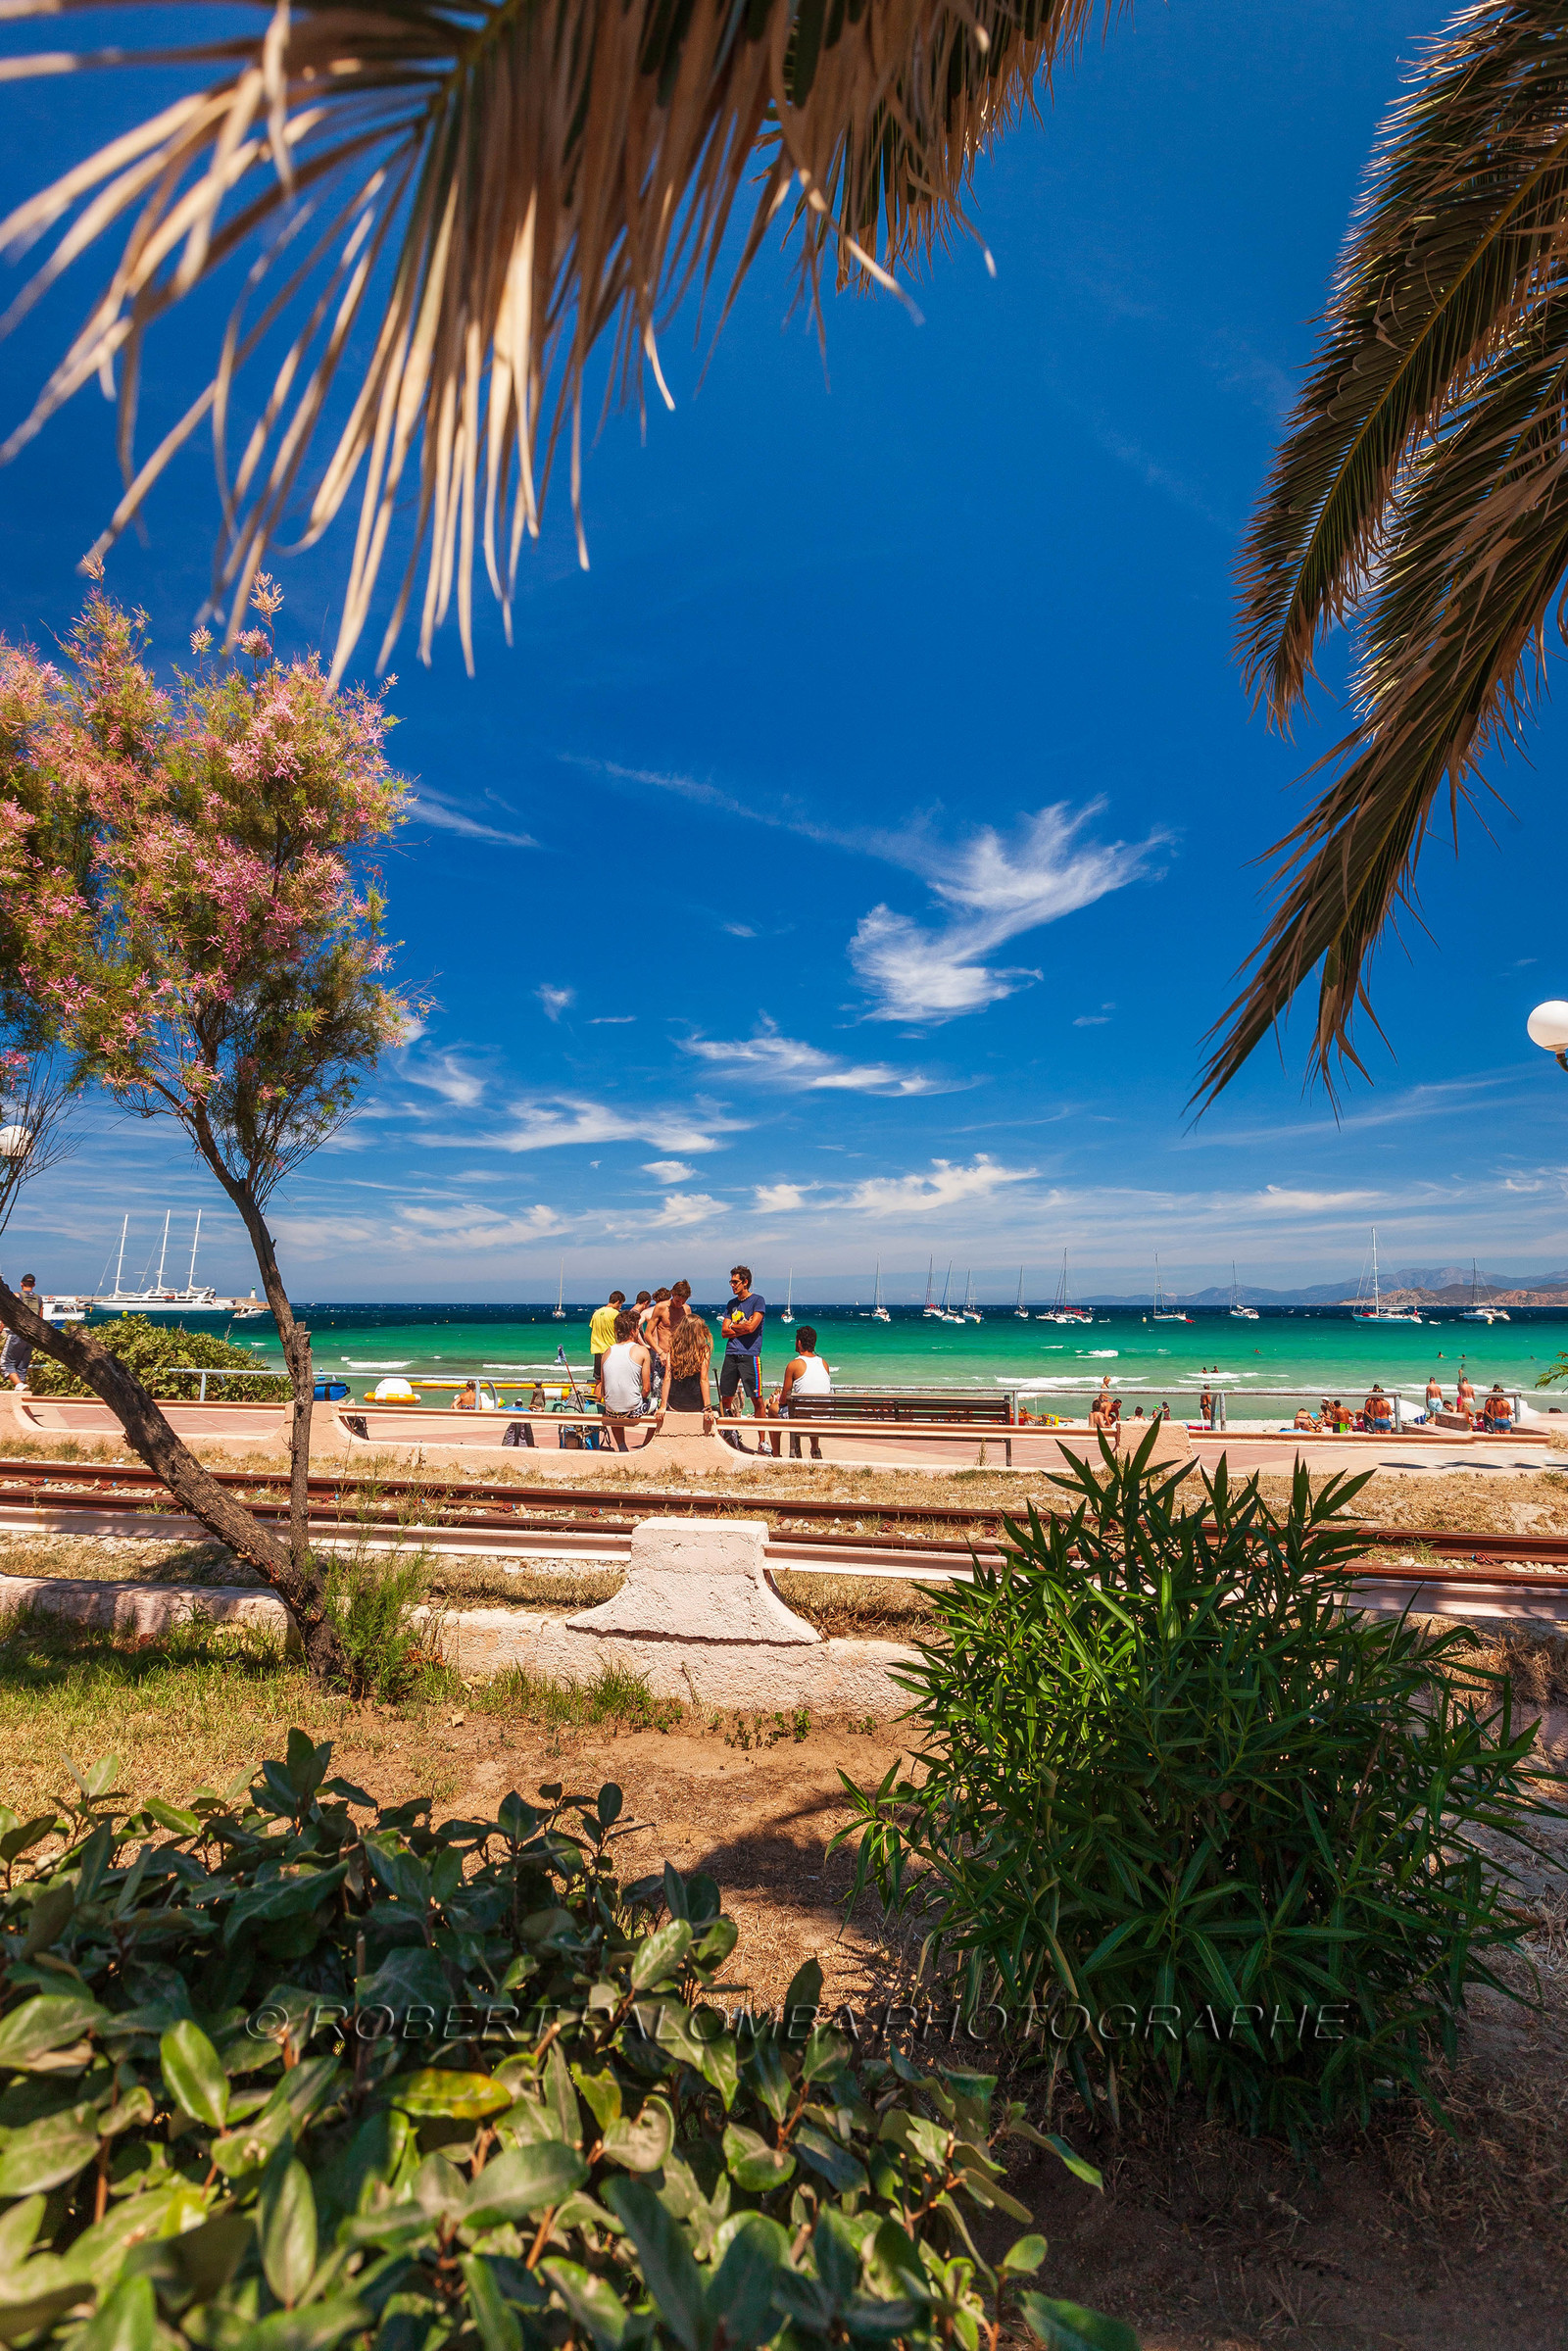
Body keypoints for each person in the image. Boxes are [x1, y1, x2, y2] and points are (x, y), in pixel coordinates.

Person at [719, 1264, 765, 1438]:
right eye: (731, 1282)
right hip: (731, 1353)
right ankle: (727, 1434)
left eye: (735, 1282)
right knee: (726, 1398)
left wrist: (735, 1326)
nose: (732, 1285)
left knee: (757, 1399)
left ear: (745, 1282)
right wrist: (742, 1327)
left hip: (749, 1354)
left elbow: (752, 1327)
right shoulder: (731, 1304)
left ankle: (762, 1440)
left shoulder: (757, 1301)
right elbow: (724, 1332)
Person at [770, 1325, 830, 1459]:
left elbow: (784, 1399)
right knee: (811, 1408)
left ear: (799, 1342)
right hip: (823, 1416)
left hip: (801, 1416)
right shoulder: (824, 1363)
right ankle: (815, 1449)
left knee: (773, 1410)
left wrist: (777, 1401)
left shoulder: (794, 1365)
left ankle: (777, 1454)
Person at [600, 1310, 652, 1450]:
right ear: (632, 1330)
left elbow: (603, 1391)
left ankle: (622, 1446)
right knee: (658, 1405)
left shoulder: (606, 1352)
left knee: (615, 1405)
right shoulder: (642, 1351)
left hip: (611, 1410)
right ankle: (646, 1446)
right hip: (633, 1409)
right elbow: (646, 1389)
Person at [663, 1310, 714, 1429]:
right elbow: (704, 1379)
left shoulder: (673, 1348)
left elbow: (667, 1377)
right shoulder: (704, 1350)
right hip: (696, 1403)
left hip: (674, 1403)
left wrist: (663, 1405)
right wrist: (708, 1407)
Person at [0, 1274, 37, 1392]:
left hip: (17, 1334)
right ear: (34, 1284)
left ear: (21, 1284)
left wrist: (1, 1328)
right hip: (31, 1336)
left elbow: (8, 1313)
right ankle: (21, 1388)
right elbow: (40, 1319)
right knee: (22, 1366)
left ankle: (19, 1385)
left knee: (5, 1363)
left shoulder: (17, 1296)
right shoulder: (39, 1299)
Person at [589, 1290, 625, 1384]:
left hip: (597, 1350)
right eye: (620, 1305)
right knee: (612, 1380)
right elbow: (620, 1332)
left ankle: (598, 1398)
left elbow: (593, 1327)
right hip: (610, 1351)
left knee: (599, 1381)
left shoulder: (596, 1313)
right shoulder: (616, 1314)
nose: (620, 1307)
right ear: (618, 1302)